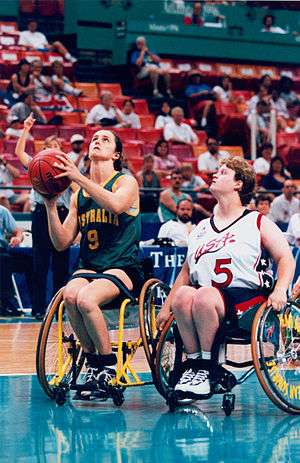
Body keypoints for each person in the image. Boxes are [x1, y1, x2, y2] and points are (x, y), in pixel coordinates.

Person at [156, 156, 295, 399]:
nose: (214, 174)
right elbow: (186, 273)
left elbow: (286, 258)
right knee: (182, 295)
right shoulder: (201, 227)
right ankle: (196, 366)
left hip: (248, 302)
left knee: (204, 295)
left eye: (222, 172)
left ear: (239, 184)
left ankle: (208, 368)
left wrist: (281, 289)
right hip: (206, 299)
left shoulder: (257, 221)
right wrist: (166, 308)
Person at [43, 129, 143, 394]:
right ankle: (92, 362)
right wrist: (51, 206)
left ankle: (108, 366)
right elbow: (62, 242)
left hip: (123, 266)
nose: (97, 141)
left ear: (117, 154)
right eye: (94, 139)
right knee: (71, 294)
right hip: (90, 266)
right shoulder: (78, 196)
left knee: (87, 298)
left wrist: (77, 178)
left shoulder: (126, 182)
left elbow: (116, 206)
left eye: (105, 139)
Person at [15, 114, 70, 320]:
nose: (53, 148)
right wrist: (26, 128)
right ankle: (38, 309)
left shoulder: (67, 168)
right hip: (40, 213)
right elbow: (19, 151)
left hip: (62, 214)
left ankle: (60, 309)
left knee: (60, 265)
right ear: (43, 150)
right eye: (49, 146)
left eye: (56, 145)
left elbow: (76, 190)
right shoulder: (38, 164)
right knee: (40, 263)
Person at [0, 204, 33, 316]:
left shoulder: (2, 211)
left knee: (29, 261)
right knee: (3, 261)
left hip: (2, 250)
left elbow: (18, 232)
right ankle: (5, 301)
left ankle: (36, 303)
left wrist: (17, 238)